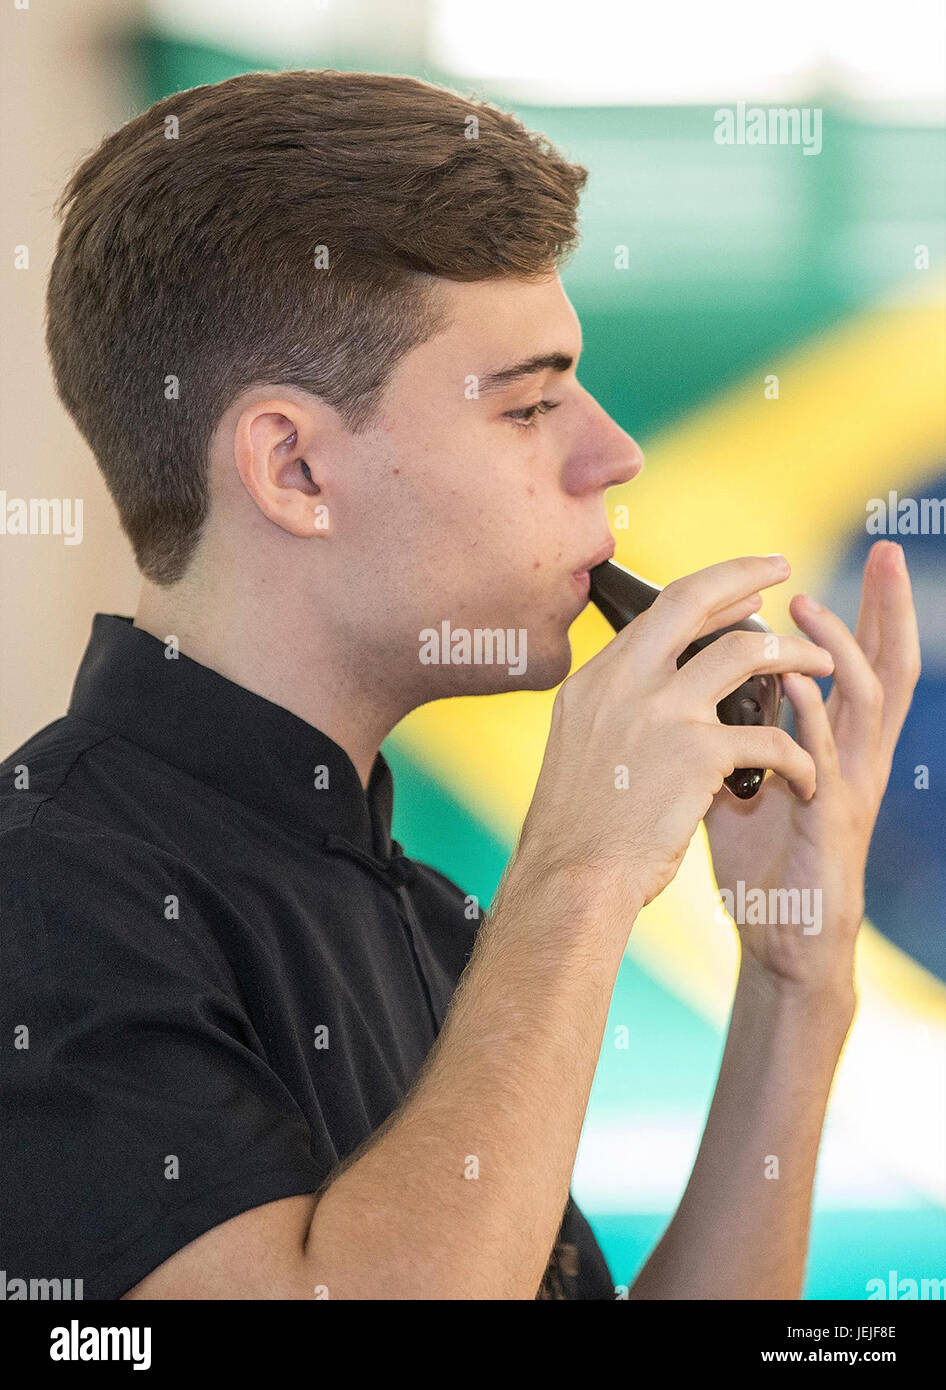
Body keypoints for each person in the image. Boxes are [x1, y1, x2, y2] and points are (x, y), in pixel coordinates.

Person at [0, 69, 920, 1301]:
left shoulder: (435, 921)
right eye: (530, 404)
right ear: (293, 468)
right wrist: (580, 868)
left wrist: (793, 980)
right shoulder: (40, 898)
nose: (614, 453)